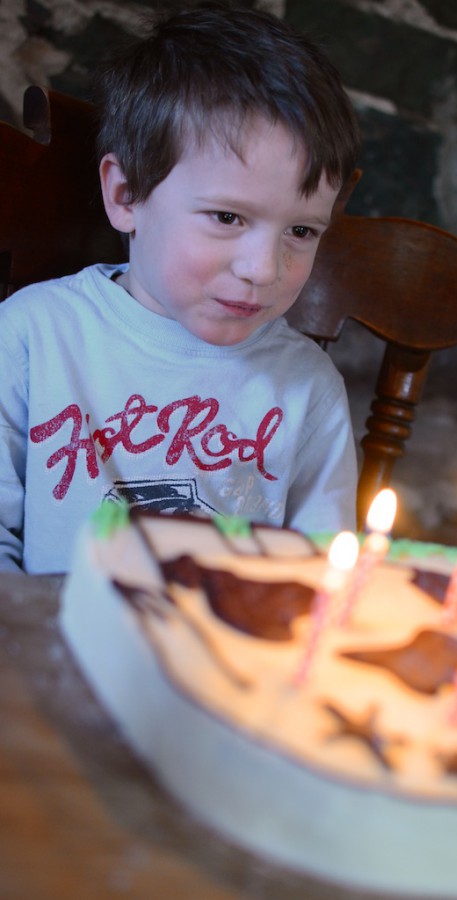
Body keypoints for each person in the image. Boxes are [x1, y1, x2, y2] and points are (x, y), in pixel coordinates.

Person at [0, 1, 362, 573]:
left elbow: (319, 577)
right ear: (125, 196)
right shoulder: (32, 337)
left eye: (300, 230)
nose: (263, 269)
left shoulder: (306, 390)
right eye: (227, 217)